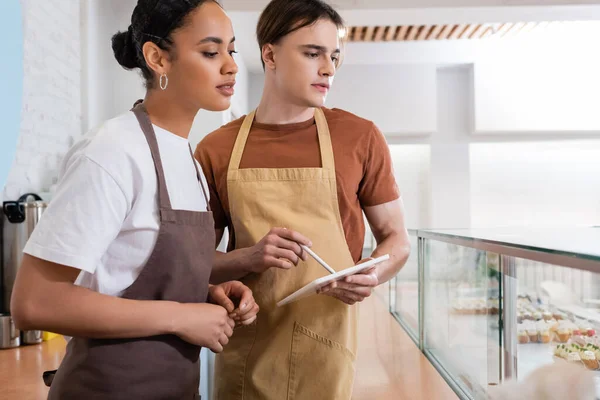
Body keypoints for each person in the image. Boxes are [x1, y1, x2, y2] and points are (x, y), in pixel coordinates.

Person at [10, 1, 258, 399]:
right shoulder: (113, 150)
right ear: (157, 58)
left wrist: (206, 292)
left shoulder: (187, 160)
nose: (229, 65)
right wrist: (181, 315)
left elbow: (132, 271)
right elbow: (35, 302)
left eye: (231, 50)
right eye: (211, 52)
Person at [194, 0, 411, 398]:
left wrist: (371, 274)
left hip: (327, 344)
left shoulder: (359, 137)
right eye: (313, 53)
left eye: (334, 56)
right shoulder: (216, 148)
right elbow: (193, 262)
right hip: (247, 344)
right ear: (270, 54)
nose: (328, 68)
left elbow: (397, 239)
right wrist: (249, 257)